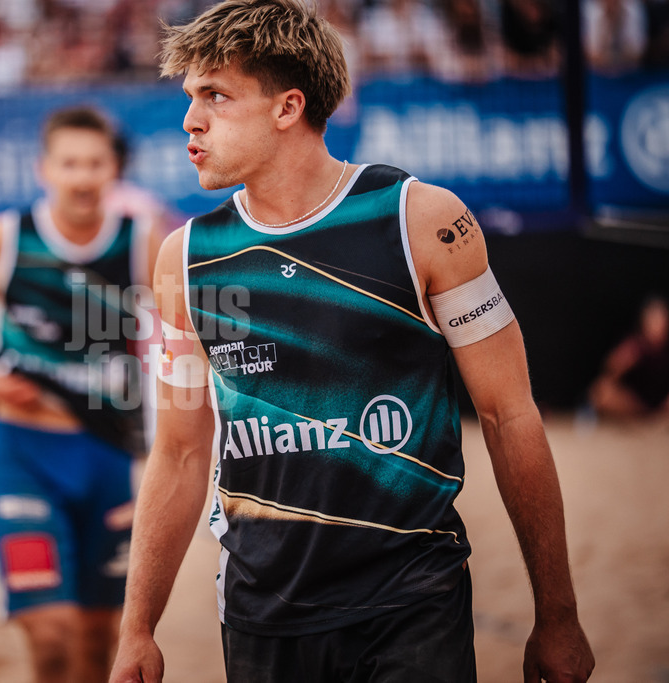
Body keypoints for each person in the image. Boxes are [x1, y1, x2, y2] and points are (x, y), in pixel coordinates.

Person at [109, 1, 594, 682]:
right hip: (262, 612)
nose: (189, 120)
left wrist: (559, 612)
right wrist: (137, 627)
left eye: (215, 95)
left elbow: (509, 414)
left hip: (412, 601)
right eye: (190, 97)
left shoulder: (421, 220)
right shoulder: (185, 259)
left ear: (287, 107)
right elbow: (182, 450)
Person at [0, 106, 162, 683]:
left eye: (95, 163)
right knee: (52, 635)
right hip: (24, 457)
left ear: (115, 170)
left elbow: (197, 330)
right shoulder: (2, 239)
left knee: (98, 640)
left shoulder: (144, 240)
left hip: (108, 456)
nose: (82, 177)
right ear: (44, 169)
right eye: (69, 164)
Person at [588, 295, 669, 420]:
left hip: (662, 405)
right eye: (653, 320)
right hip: (637, 404)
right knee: (601, 392)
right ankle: (644, 417)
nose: (657, 326)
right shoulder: (634, 345)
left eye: (661, 320)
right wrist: (620, 364)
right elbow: (608, 376)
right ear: (644, 322)